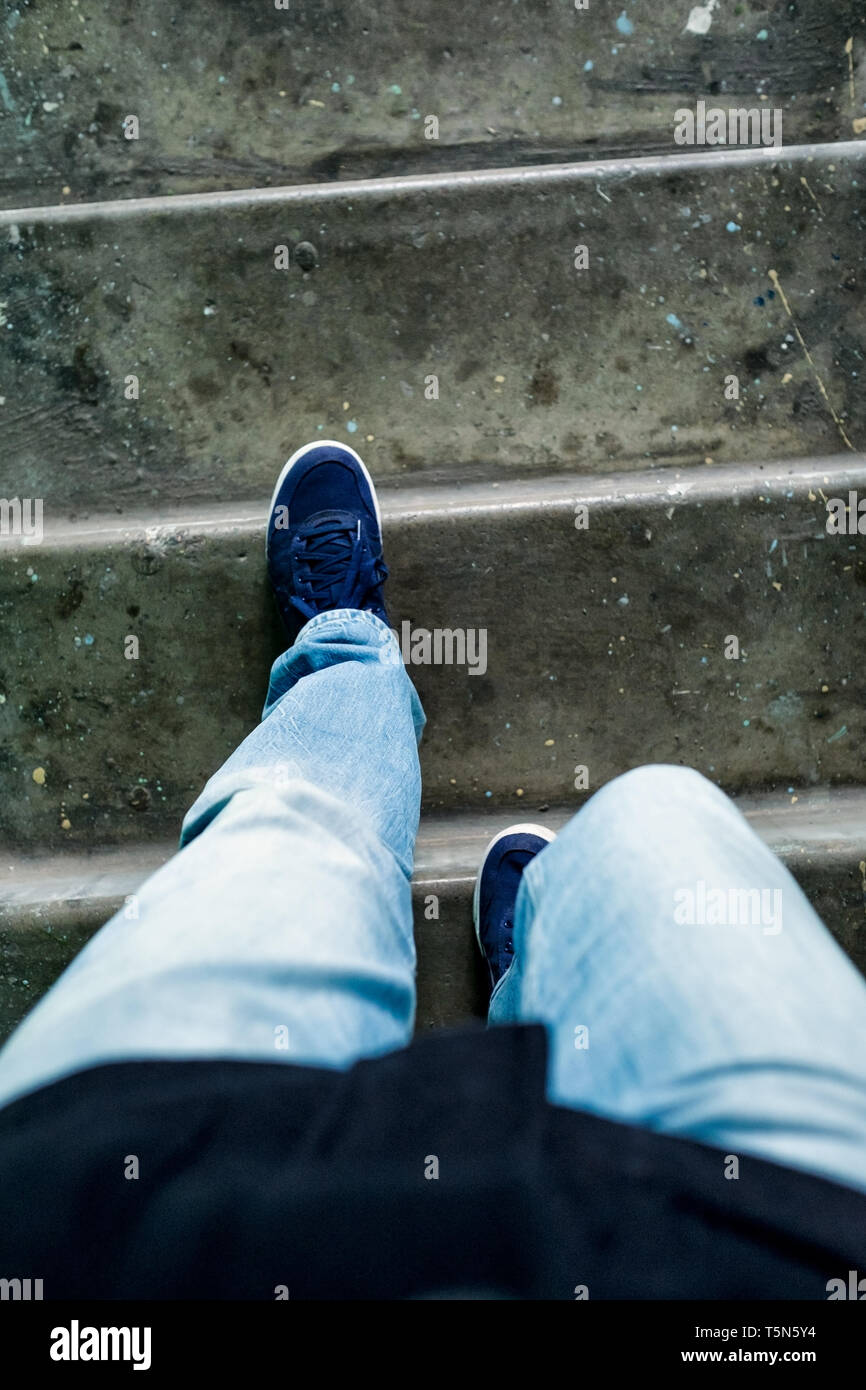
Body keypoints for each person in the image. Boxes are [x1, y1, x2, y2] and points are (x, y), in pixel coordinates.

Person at [1, 441, 865, 1300]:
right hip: (760, 1253)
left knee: (291, 830)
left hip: (143, 1230)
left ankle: (341, 645)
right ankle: (531, 986)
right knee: (660, 815)